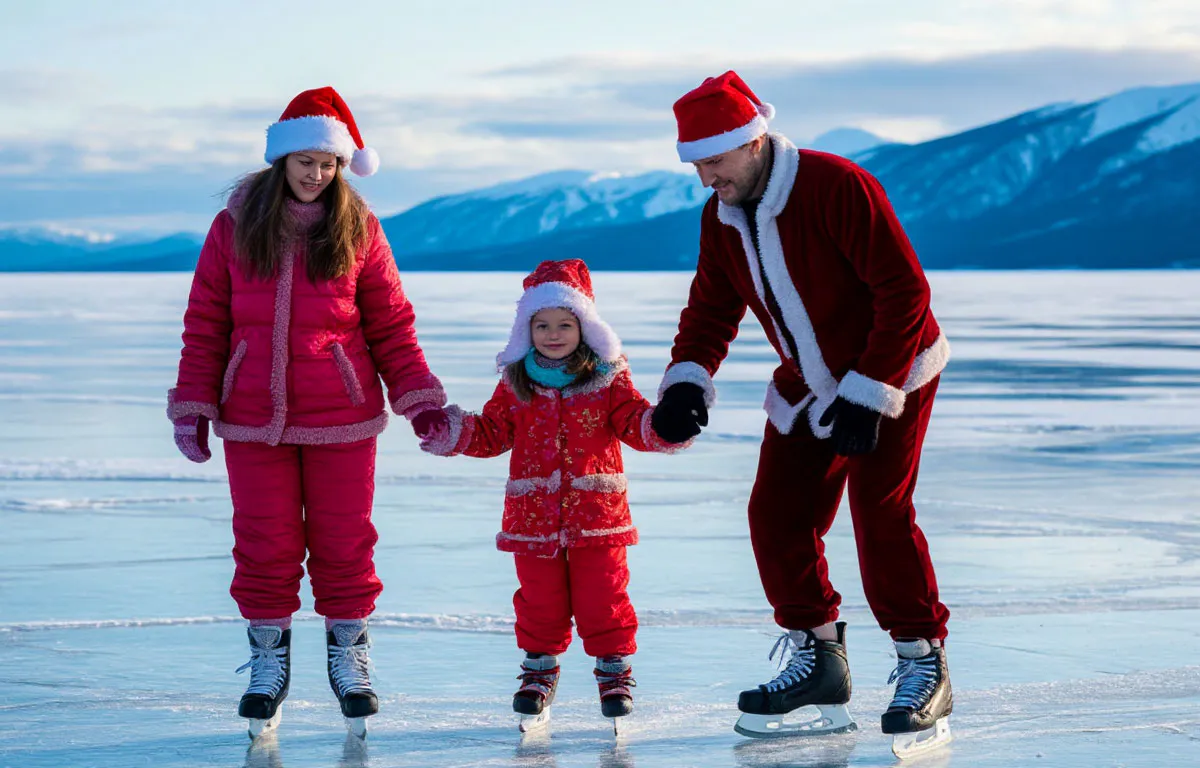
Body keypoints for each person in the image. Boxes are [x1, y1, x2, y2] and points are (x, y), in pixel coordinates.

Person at [650, 71, 953, 749]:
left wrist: (872, 392)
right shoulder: (721, 217)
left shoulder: (835, 185)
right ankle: (820, 659)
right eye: (696, 165)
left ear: (753, 142)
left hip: (895, 364)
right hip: (810, 379)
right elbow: (711, 306)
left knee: (880, 509)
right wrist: (686, 382)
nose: (705, 178)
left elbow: (904, 292)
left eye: (715, 161)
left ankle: (922, 662)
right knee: (776, 512)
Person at [167, 87, 449, 737]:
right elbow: (206, 321)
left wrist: (420, 401)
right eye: (306, 159)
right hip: (250, 417)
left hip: (341, 415)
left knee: (345, 541)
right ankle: (269, 663)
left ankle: (348, 655)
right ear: (281, 157)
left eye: (329, 163)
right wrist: (193, 404)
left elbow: (391, 325)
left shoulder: (359, 227)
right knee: (264, 542)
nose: (317, 173)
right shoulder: (234, 227)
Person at [420, 259, 690, 728]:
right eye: (541, 324)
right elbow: (492, 434)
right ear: (527, 329)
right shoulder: (515, 382)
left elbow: (634, 423)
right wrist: (453, 431)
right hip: (533, 517)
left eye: (564, 324)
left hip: (597, 514)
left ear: (584, 327)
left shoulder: (608, 378)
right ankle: (538, 671)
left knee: (603, 596)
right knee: (539, 598)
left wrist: (664, 426)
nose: (553, 333)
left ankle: (613, 670)